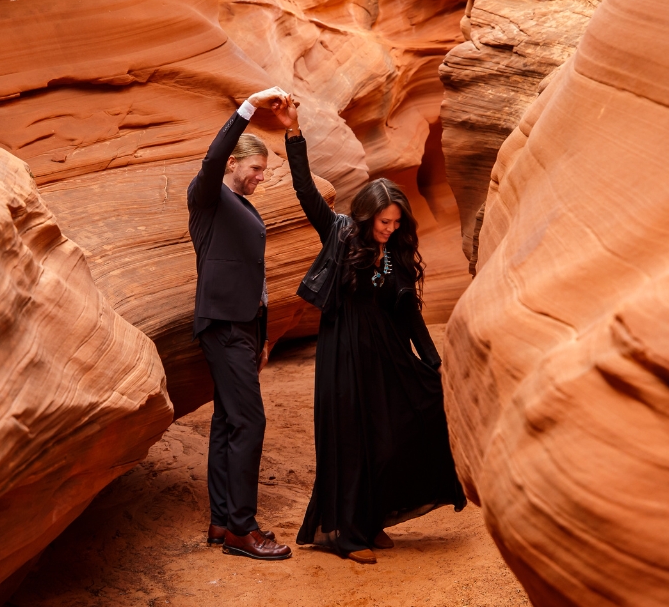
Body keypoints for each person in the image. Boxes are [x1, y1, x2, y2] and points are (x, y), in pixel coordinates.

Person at [278, 96, 466, 565]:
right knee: (350, 441)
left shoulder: (398, 252)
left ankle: (374, 515)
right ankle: (347, 532)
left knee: (390, 435)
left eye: (396, 222)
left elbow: (410, 316)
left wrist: (434, 362)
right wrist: (293, 133)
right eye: (384, 222)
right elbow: (305, 194)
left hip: (387, 357)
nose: (390, 228)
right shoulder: (341, 233)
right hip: (343, 356)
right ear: (367, 216)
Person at [188, 86, 297, 561]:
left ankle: (221, 521)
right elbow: (211, 160)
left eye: (264, 172)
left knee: (228, 421)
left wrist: (264, 332)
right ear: (234, 162)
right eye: (256, 169)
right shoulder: (207, 194)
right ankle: (242, 528)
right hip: (224, 324)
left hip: (244, 327)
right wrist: (249, 106)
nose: (260, 178)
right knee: (250, 421)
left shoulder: (244, 207)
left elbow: (254, 273)